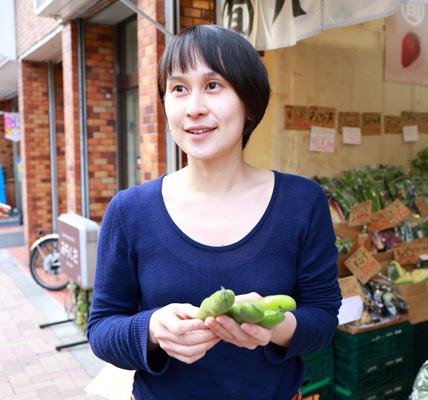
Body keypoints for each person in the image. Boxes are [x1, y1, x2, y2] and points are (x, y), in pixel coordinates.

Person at [87, 24, 342, 400]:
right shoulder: (130, 211)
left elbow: (323, 316)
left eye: (213, 85)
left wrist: (275, 327)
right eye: (178, 88)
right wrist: (153, 328)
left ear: (250, 103)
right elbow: (102, 329)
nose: (194, 108)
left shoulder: (302, 202)